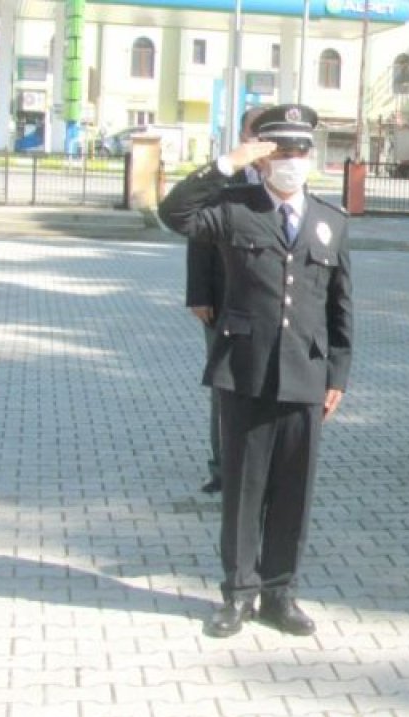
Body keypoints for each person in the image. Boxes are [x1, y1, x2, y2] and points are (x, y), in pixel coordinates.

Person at [159, 104, 353, 638]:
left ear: (313, 157)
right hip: (245, 369)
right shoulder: (233, 207)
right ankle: (238, 593)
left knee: (294, 489)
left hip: (306, 374)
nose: (292, 161)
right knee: (244, 488)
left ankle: (280, 592)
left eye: (300, 151)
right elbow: (172, 214)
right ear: (264, 159)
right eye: (281, 152)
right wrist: (226, 163)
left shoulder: (329, 221)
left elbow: (340, 306)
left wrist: (338, 374)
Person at [187, 105, 265, 494]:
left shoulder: (284, 182)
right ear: (242, 135)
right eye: (255, 132)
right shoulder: (222, 181)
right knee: (225, 386)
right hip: (221, 301)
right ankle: (223, 467)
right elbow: (198, 237)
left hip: (267, 307)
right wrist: (198, 293)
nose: (262, 142)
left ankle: (258, 467)